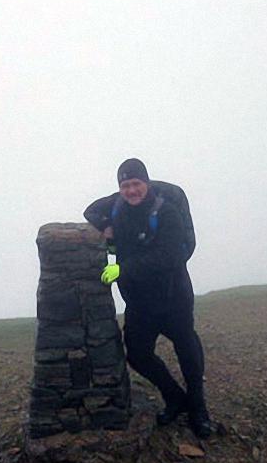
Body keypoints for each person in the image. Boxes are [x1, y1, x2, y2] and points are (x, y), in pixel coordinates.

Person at [83, 158, 211, 438]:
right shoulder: (115, 206)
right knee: (138, 355)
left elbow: (169, 256)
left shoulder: (167, 212)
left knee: (186, 348)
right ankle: (176, 398)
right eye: (125, 185)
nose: (131, 190)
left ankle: (198, 408)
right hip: (140, 302)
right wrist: (106, 224)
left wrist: (122, 269)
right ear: (119, 187)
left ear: (147, 182)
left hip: (173, 295)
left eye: (136, 183)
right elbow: (89, 211)